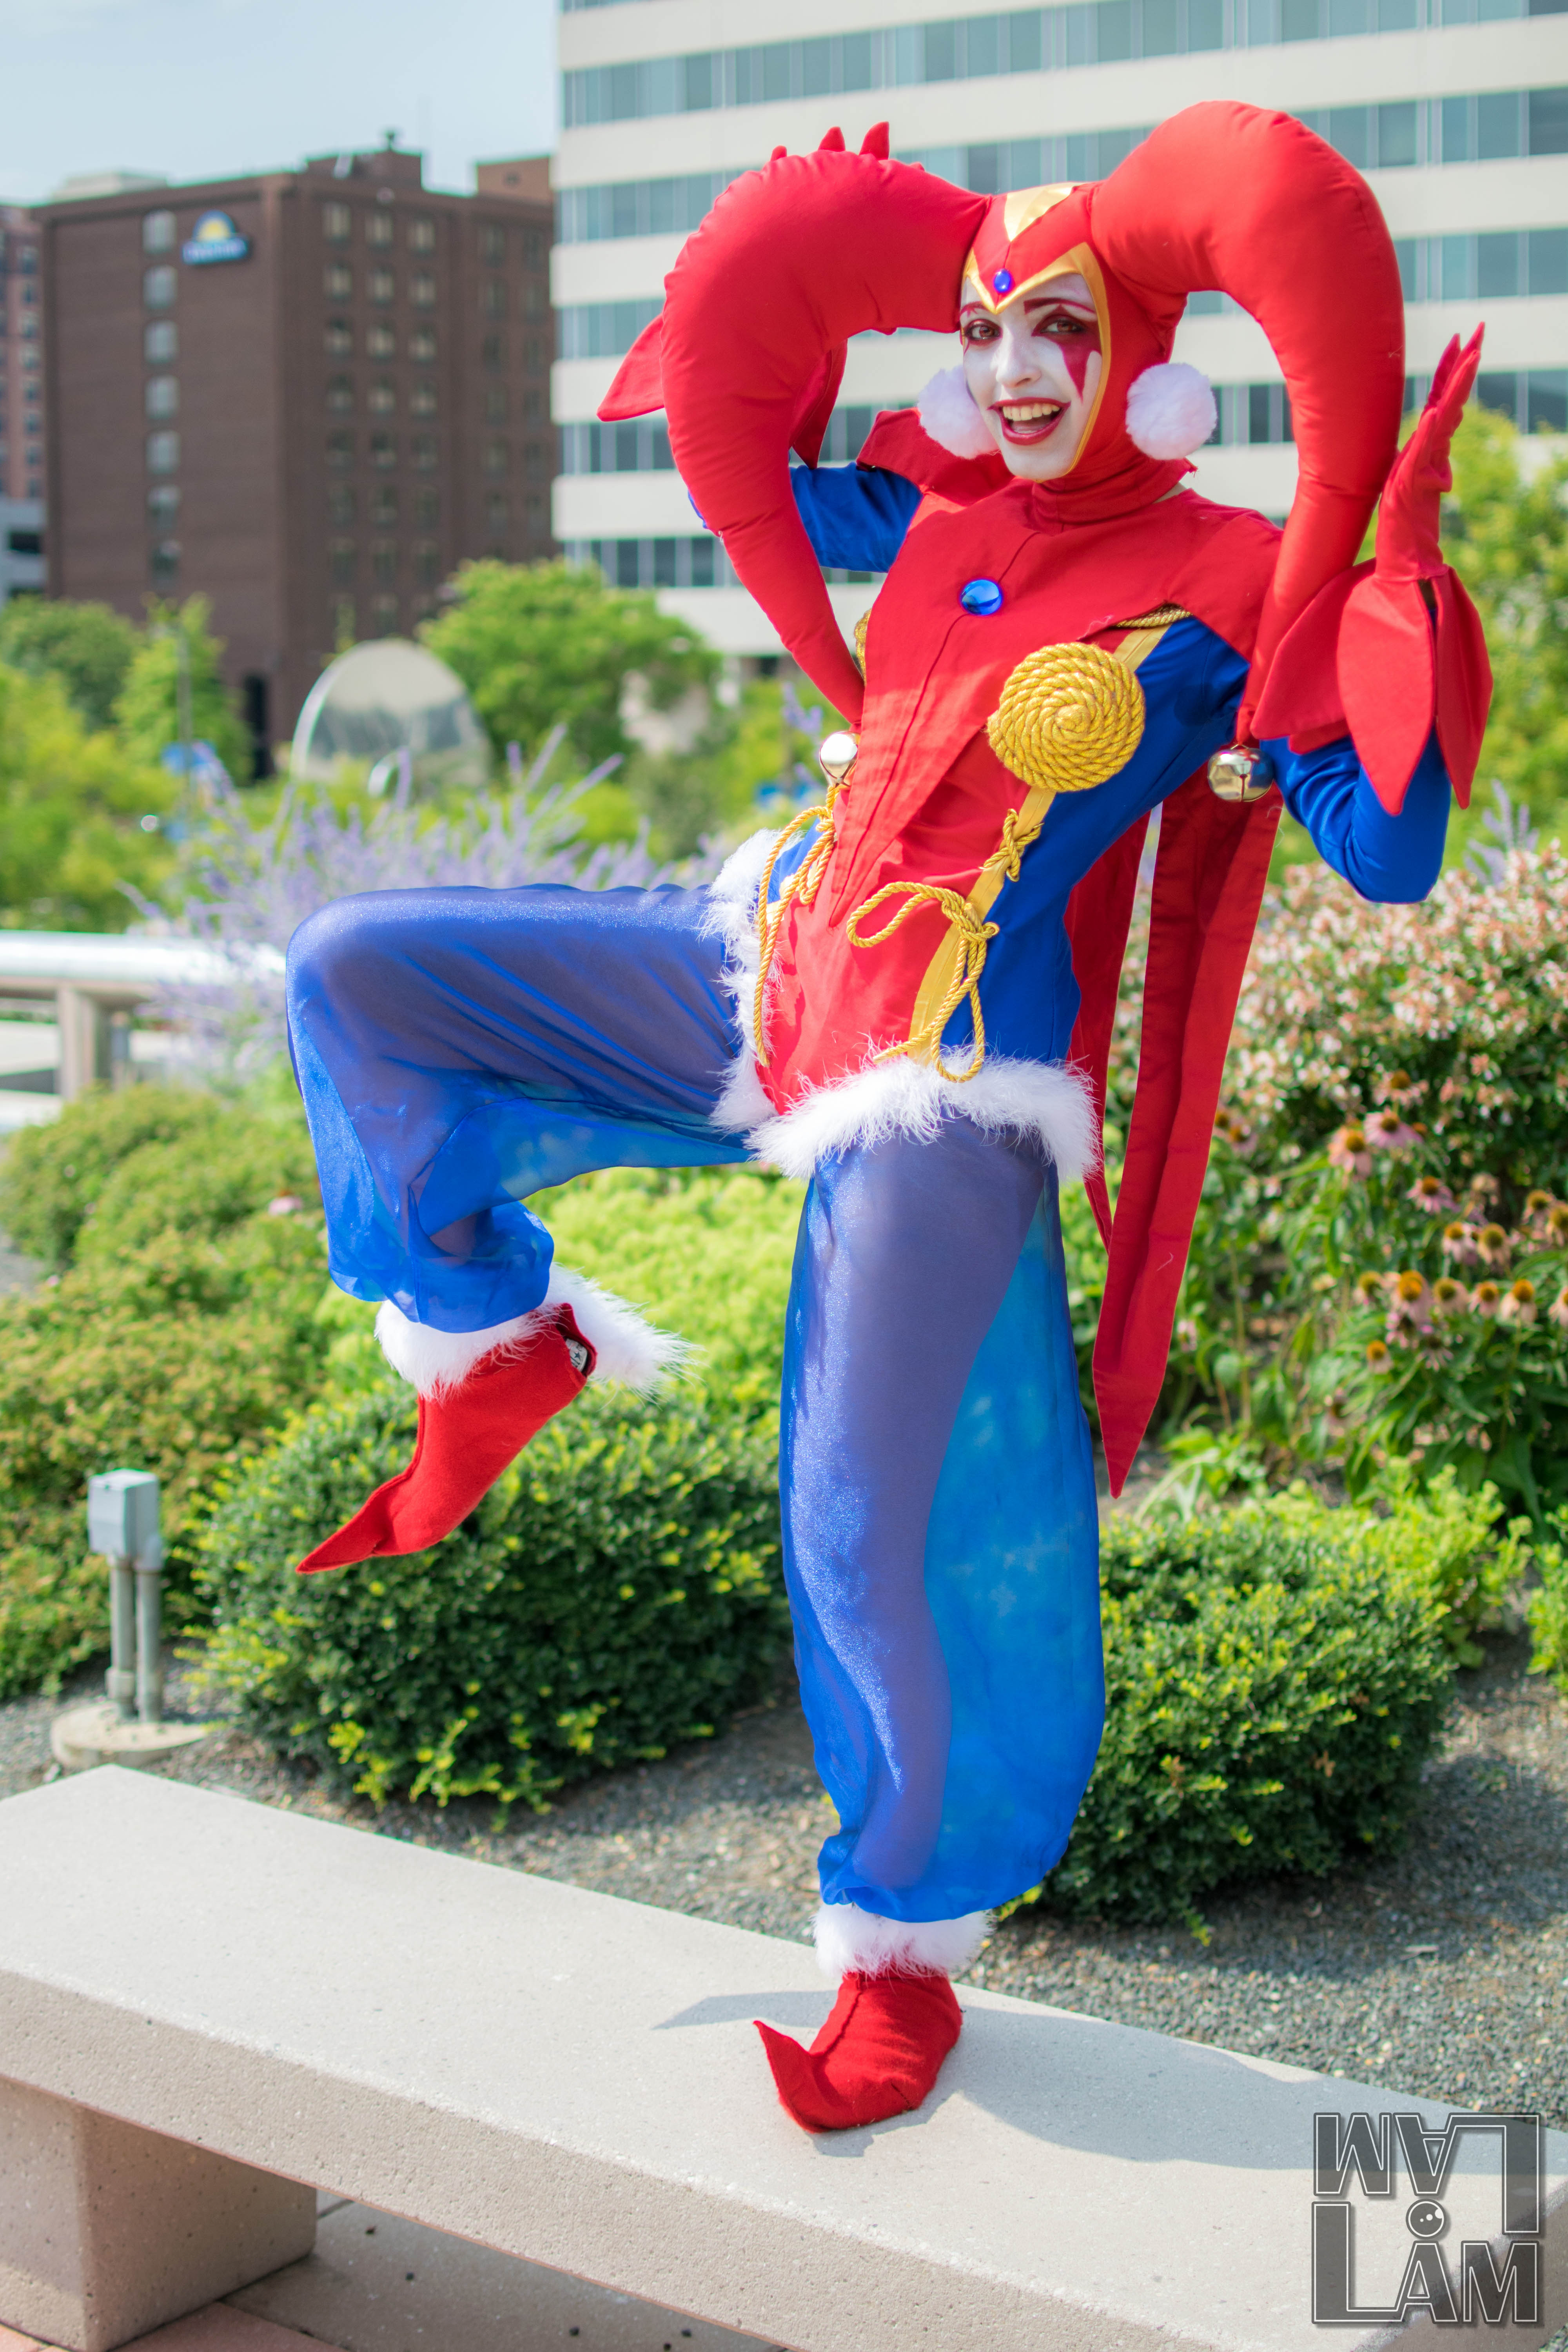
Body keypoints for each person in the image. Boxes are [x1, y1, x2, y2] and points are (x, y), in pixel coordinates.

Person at [285, 101, 1490, 2134]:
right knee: (357, 972)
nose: (1013, 370)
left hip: (944, 1081)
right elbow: (747, 465)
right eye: (984, 328)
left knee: (863, 1526)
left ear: (1149, 354)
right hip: (760, 962)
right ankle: (495, 1334)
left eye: (1061, 330)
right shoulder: (931, 511)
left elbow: (1384, 848)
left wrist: (1401, 588)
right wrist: (756, 288)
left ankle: (898, 1950)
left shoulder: (1225, 582)